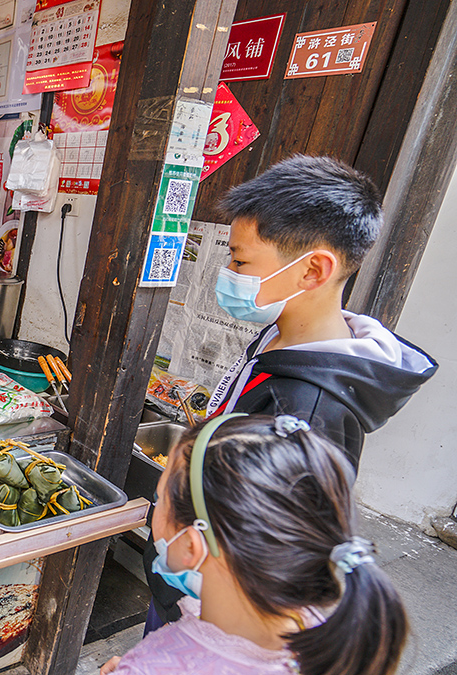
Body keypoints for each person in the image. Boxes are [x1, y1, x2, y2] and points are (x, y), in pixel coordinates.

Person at [146, 156, 436, 629]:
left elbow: (275, 562)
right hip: (187, 569)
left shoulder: (309, 410)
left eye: (240, 260)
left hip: (214, 605)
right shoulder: (279, 334)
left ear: (313, 270)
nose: (229, 271)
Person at [102, 414, 408, 675]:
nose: (157, 505)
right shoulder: (329, 634)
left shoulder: (151, 666)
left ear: (192, 546)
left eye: (160, 498)